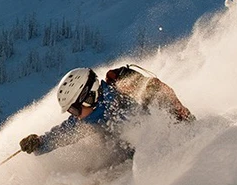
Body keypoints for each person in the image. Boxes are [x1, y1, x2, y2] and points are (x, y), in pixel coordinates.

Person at [19, 65, 193, 156]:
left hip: (170, 146)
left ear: (88, 97)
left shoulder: (120, 98)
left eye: (74, 109)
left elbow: (157, 94)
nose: (75, 116)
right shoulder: (89, 118)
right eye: (71, 111)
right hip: (129, 160)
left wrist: (183, 123)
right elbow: (63, 133)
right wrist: (39, 143)